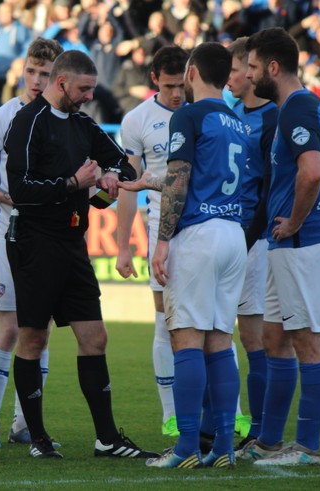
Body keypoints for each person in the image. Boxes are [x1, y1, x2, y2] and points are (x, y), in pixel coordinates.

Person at [4, 49, 156, 460]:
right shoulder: (27, 122)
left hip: (73, 243)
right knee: (33, 337)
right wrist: (74, 181)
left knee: (95, 337)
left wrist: (109, 182)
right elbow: (20, 192)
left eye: (92, 88)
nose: (90, 96)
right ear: (61, 83)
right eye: (84, 88)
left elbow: (123, 168)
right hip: (34, 243)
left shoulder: (84, 124)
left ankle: (106, 440)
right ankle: (36, 438)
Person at [125, 41, 247, 470]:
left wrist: (162, 240)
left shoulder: (187, 114)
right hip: (233, 234)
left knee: (186, 338)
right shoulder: (236, 121)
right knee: (219, 339)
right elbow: (204, 180)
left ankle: (185, 448)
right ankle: (224, 448)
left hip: (197, 237)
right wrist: (147, 184)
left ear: (192, 71)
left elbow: (180, 180)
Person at [237, 27, 320, 467]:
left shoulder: (296, 109)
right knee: (275, 337)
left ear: (273, 68)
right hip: (289, 242)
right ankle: (269, 441)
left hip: (302, 239)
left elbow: (312, 172)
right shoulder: (301, 106)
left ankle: (308, 447)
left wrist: (294, 220)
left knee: (307, 341)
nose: (250, 73)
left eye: (254, 66)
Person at [0, 37, 63, 449]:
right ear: (22, 71)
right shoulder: (2, 117)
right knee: (7, 330)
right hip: (12, 232)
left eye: (46, 73)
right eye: (32, 72)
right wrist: (5, 196)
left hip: (52, 237)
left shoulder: (66, 119)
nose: (38, 80)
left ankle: (24, 424)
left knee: (39, 331)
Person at [114, 45, 188, 439]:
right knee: (165, 320)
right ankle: (170, 415)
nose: (178, 93)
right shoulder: (137, 120)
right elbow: (129, 185)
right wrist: (123, 245)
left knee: (214, 323)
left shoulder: (204, 109)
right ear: (155, 78)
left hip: (207, 226)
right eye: (171, 85)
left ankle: (231, 414)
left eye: (183, 84)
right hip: (163, 228)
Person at [225, 36, 278, 449]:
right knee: (218, 333)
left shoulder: (273, 118)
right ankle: (227, 426)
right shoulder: (230, 114)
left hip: (253, 239)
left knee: (253, 337)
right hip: (224, 234)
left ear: (250, 71)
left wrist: (250, 235)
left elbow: (268, 187)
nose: (229, 77)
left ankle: (260, 429)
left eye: (234, 69)